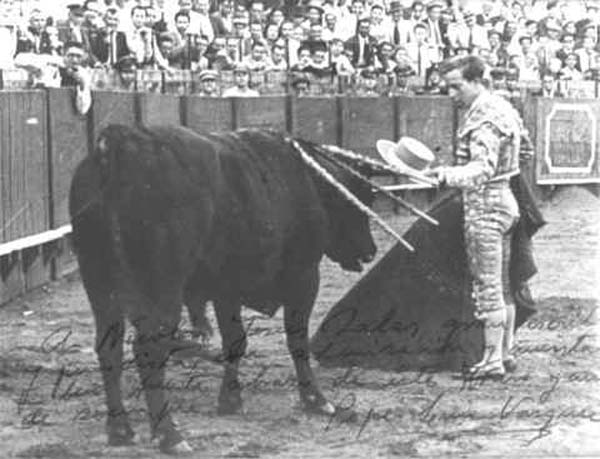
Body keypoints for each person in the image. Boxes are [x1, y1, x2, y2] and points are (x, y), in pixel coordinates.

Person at [426, 55, 525, 379]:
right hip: (506, 201)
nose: (452, 94)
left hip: (485, 207)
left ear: (478, 81)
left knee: (489, 286)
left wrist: (444, 175)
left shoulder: (483, 117)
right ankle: (506, 353)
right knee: (505, 285)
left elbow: (481, 169)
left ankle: (492, 359)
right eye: (448, 88)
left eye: (457, 86)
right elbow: (525, 152)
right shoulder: (504, 107)